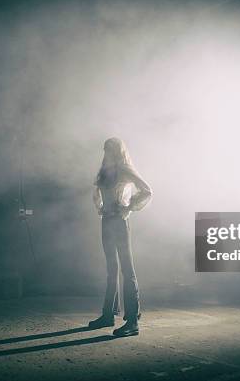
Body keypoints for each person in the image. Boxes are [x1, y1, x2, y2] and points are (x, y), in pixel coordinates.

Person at [88, 137, 153, 337]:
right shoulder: (104, 171)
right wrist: (99, 207)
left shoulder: (125, 169)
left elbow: (147, 190)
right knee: (111, 270)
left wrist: (128, 207)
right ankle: (108, 315)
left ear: (118, 151)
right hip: (106, 222)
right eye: (105, 149)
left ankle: (132, 321)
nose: (107, 152)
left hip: (119, 222)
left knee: (127, 270)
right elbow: (96, 192)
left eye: (110, 149)